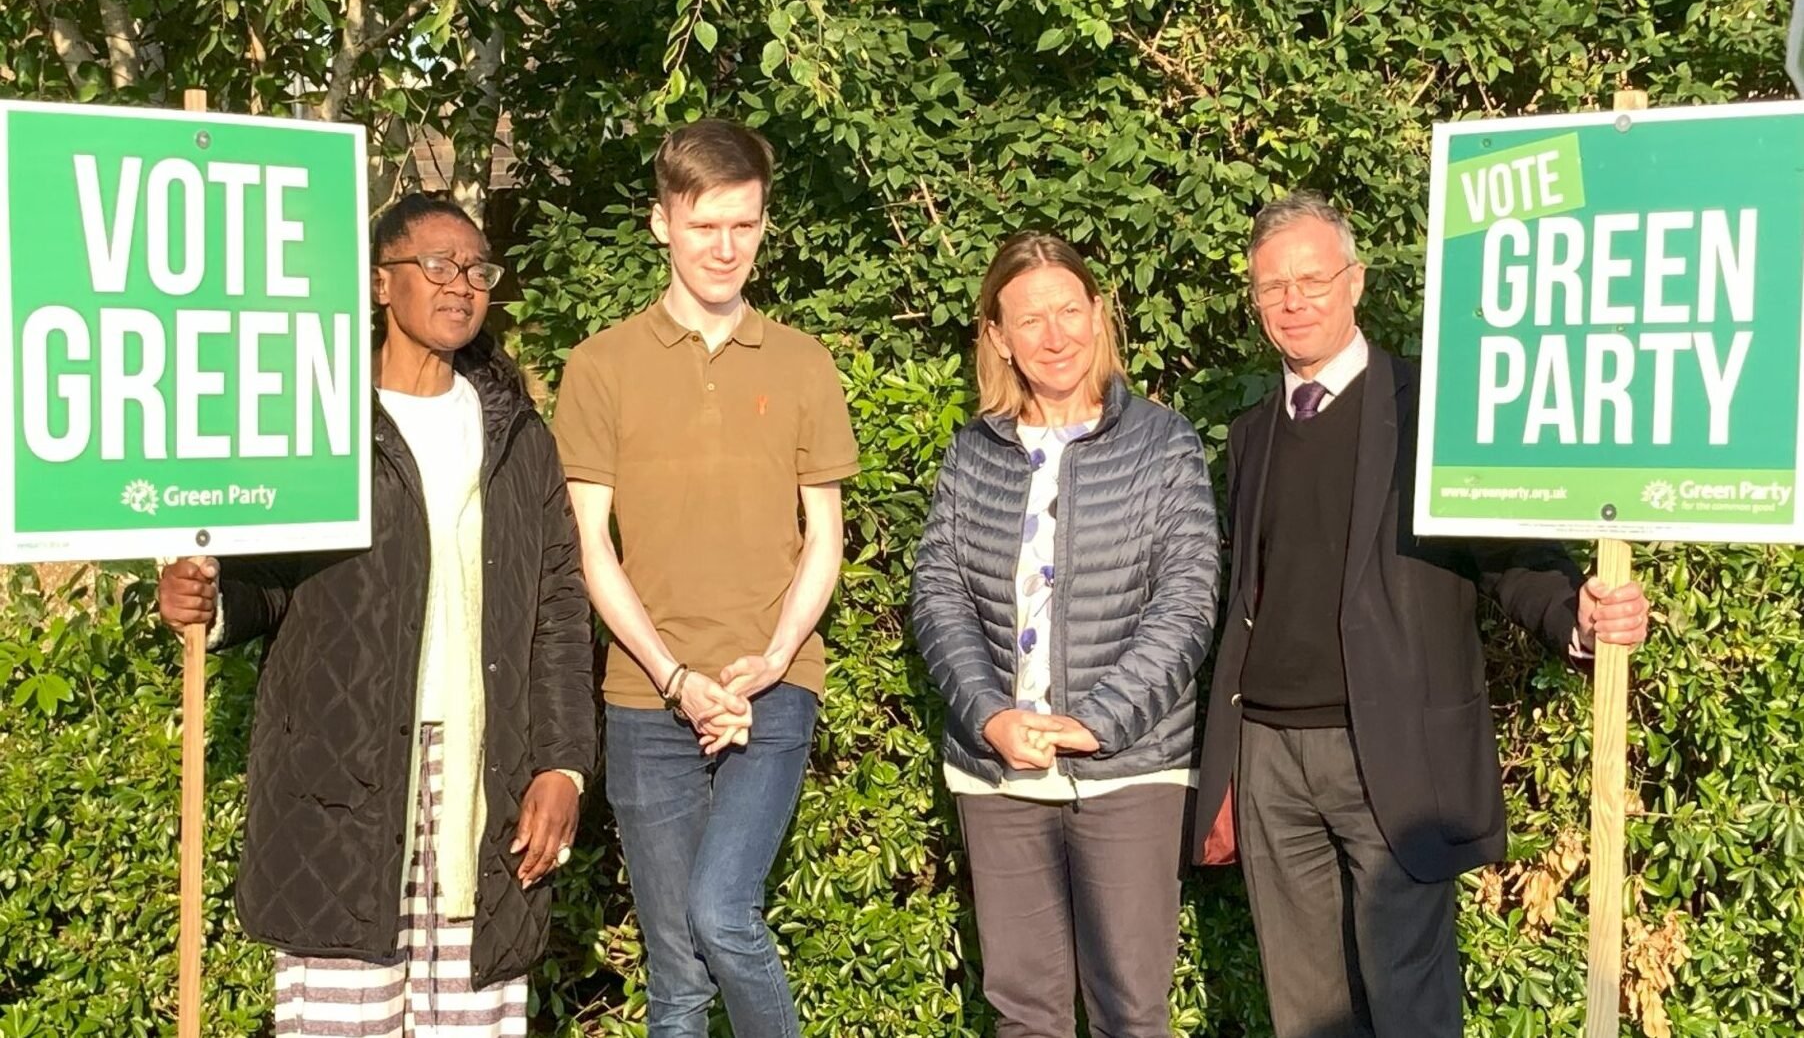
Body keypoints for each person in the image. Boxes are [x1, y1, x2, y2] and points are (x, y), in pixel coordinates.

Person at [1190, 190, 1650, 1038]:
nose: (1293, 301)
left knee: (1409, 1007)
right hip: (1271, 760)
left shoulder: (1433, 409)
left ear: (1355, 281)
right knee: (1307, 1011)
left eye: (1312, 279)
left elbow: (1509, 554)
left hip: (1392, 755)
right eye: (1271, 287)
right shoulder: (1251, 433)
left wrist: (1575, 615)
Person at [156, 193, 597, 1037]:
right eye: (436, 264)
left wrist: (564, 767)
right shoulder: (318, 424)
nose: (461, 284)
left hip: (482, 775)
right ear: (377, 284)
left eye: (476, 268)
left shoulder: (515, 434)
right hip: (346, 777)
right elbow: (267, 581)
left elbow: (559, 610)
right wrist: (205, 606)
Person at [550, 119, 859, 1038]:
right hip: (647, 696)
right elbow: (589, 544)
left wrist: (769, 658)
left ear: (764, 225)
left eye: (744, 225)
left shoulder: (804, 364)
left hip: (771, 687)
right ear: (661, 224)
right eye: (704, 226)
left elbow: (824, 538)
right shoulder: (600, 366)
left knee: (724, 913)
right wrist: (675, 676)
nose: (726, 248)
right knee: (678, 971)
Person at [911, 231, 1220, 1037]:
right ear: (998, 338)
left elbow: (1188, 599)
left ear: (1097, 314)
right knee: (1023, 1011)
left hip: (1129, 769)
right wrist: (987, 714)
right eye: (1030, 319)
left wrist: (1100, 719)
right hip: (1000, 770)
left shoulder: (1163, 442)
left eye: (1069, 310)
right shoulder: (972, 453)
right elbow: (938, 594)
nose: (1054, 336)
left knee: (1130, 1009)